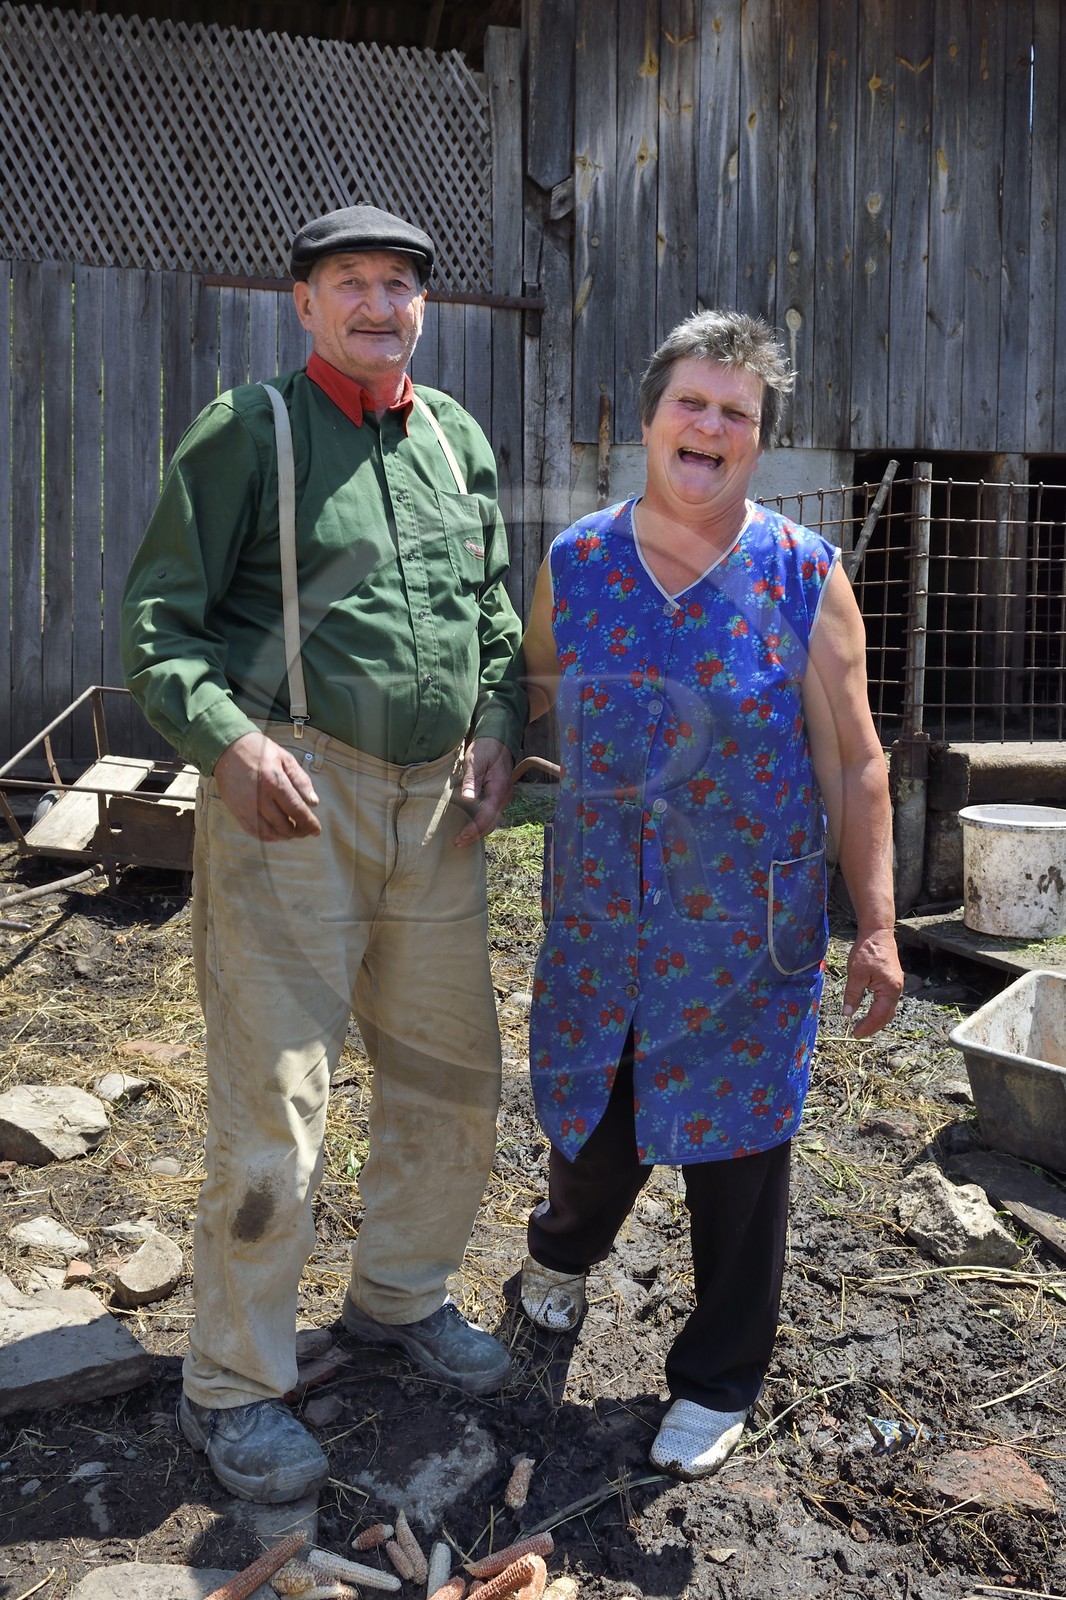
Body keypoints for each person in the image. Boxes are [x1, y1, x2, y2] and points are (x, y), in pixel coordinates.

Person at [121, 204, 526, 1503]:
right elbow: (159, 627)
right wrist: (228, 742)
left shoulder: (456, 438)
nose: (377, 304)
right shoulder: (250, 432)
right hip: (290, 802)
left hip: (438, 814)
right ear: (303, 305)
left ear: (424, 307)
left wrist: (499, 728)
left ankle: (398, 1297)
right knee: (275, 1112)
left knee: (452, 1080)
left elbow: (496, 617)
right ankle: (233, 1386)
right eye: (350, 282)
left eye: (399, 284)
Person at [516, 310, 903, 1481]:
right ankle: (559, 1256)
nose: (710, 426)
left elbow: (855, 760)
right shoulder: (577, 562)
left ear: (757, 440)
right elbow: (526, 691)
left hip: (745, 932)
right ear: (648, 420)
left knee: (741, 1163)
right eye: (691, 401)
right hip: (603, 915)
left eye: (736, 412)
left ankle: (716, 1378)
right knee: (592, 1117)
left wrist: (877, 925)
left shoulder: (803, 574)